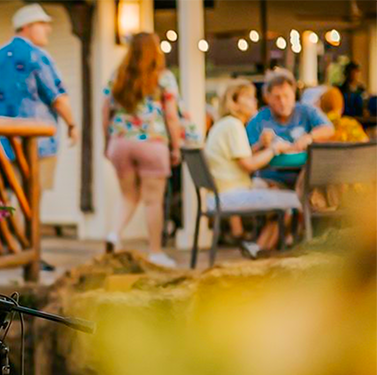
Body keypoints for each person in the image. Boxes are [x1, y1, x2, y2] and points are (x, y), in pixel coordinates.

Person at [101, 32, 182, 268]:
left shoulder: (118, 76)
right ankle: (155, 252)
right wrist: (176, 146)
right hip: (152, 144)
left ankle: (114, 235)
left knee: (128, 195)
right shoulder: (163, 78)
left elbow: (104, 112)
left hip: (120, 142)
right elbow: (171, 116)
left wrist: (107, 141)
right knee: (152, 201)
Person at [0, 2, 78, 191]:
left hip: (4, 142)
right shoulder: (36, 56)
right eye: (42, 24)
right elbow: (57, 97)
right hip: (37, 142)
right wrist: (72, 125)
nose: (48, 30)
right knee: (33, 195)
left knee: (11, 194)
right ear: (27, 26)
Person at [204, 80, 301, 258]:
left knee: (276, 189)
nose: (254, 102)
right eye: (248, 98)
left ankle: (257, 248)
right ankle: (266, 252)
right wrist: (274, 149)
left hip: (218, 194)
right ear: (234, 102)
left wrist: (259, 146)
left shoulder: (225, 124)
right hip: (230, 195)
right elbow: (248, 165)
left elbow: (240, 157)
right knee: (295, 199)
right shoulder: (233, 125)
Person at [246, 69, 334, 189]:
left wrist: (310, 137)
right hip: (271, 178)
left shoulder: (305, 110)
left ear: (294, 94)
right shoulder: (258, 120)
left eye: (286, 96)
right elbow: (247, 157)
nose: (283, 102)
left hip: (305, 175)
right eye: (277, 97)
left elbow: (329, 129)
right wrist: (261, 144)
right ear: (268, 98)